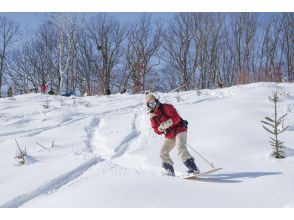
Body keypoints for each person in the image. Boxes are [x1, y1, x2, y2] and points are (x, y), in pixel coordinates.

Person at [145, 93, 200, 176]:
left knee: (180, 147)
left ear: (156, 101)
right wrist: (160, 128)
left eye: (153, 102)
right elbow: (157, 130)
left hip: (180, 129)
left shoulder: (166, 107)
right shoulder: (153, 117)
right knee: (163, 152)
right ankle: (169, 171)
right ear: (148, 106)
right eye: (150, 104)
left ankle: (193, 168)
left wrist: (168, 122)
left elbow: (176, 118)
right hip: (170, 135)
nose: (153, 105)